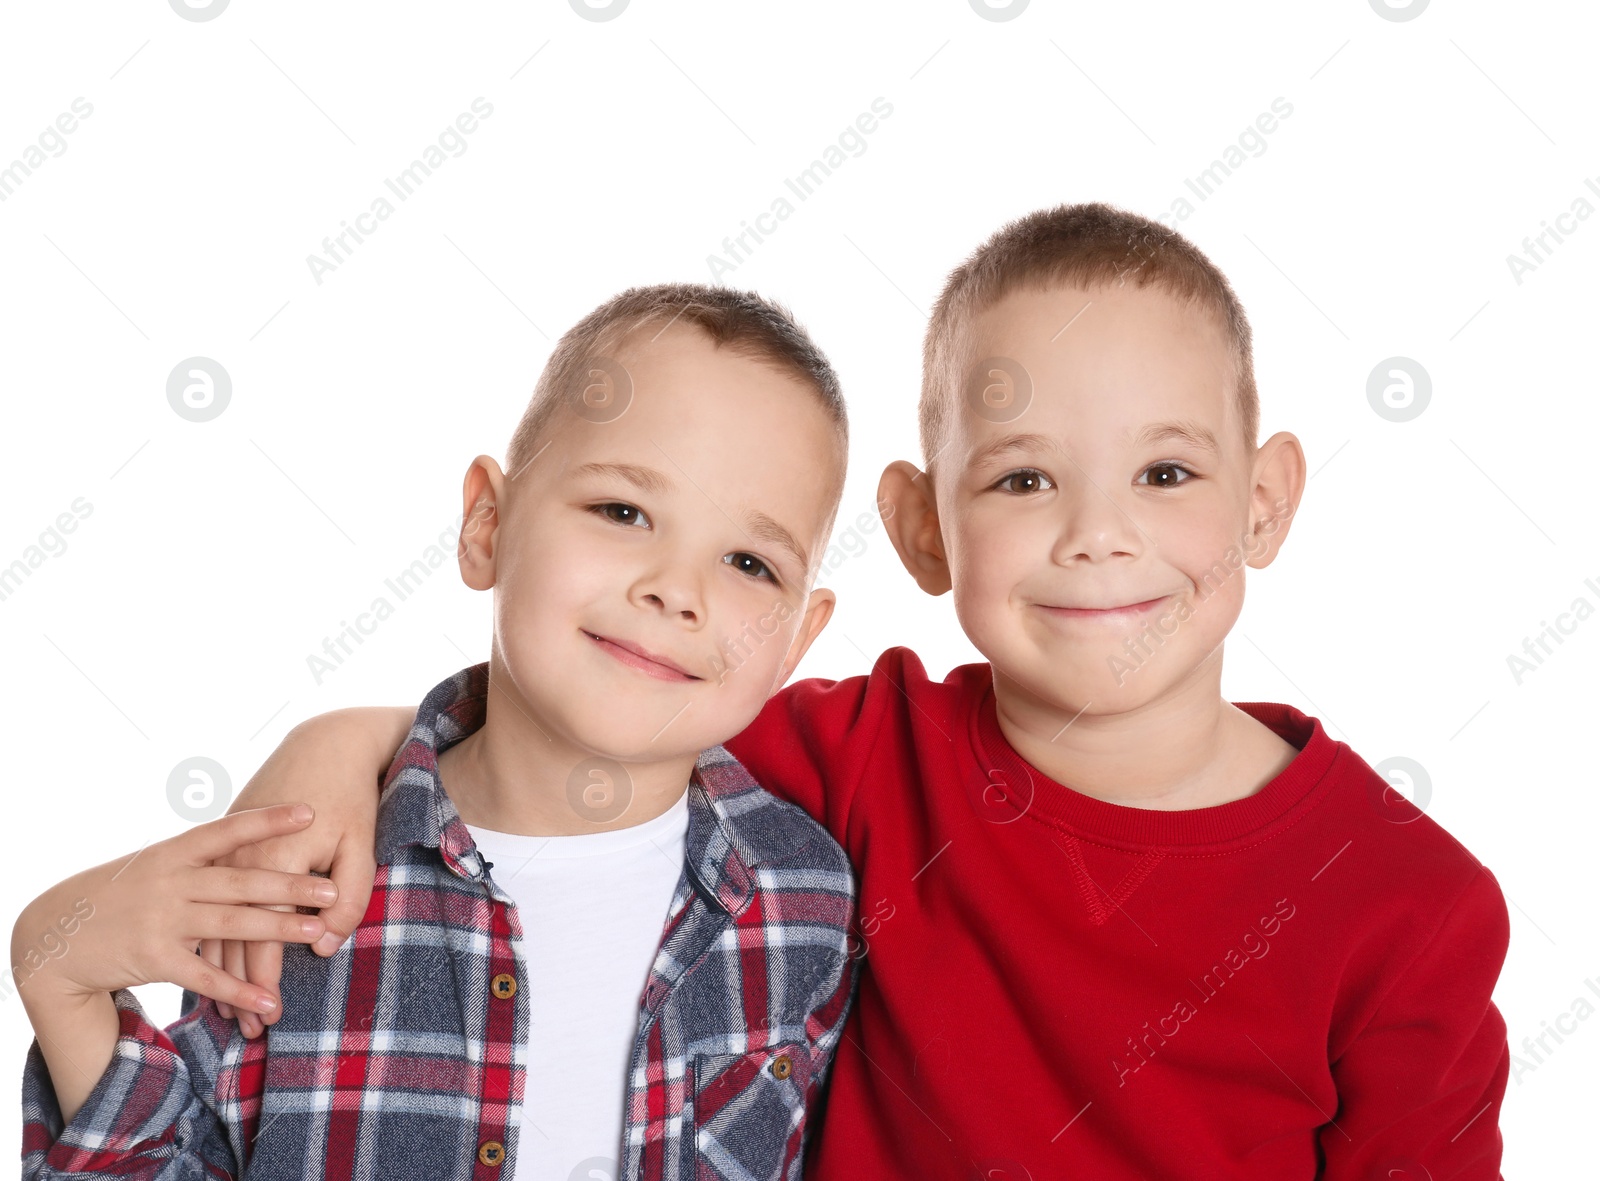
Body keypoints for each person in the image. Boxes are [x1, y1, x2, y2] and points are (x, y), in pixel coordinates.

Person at [199, 204, 1510, 1178]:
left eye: (1166, 474)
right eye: (1022, 479)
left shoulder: (1410, 907)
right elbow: (584, 715)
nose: (1098, 535)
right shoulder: (867, 752)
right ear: (924, 529)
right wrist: (342, 743)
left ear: (1267, 498)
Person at [14, 283, 860, 1180]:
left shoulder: (806, 898)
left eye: (749, 562)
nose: (676, 589)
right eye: (622, 511)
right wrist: (57, 976)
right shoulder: (309, 880)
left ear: (798, 639)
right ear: (487, 524)